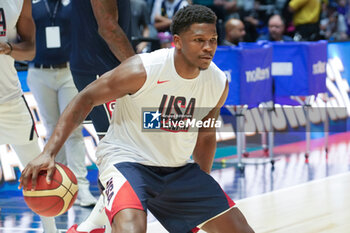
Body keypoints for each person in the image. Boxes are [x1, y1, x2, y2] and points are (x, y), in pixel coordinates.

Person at [19, 5, 255, 233]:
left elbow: (205, 134)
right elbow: (86, 98)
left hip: (177, 169)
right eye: (199, 40)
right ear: (178, 42)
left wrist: (201, 185)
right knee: (132, 228)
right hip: (127, 162)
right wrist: (48, 152)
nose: (208, 47)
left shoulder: (217, 82)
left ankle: (92, 228)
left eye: (212, 40)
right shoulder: (143, 70)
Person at [66, 1, 136, 232]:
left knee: (120, 149)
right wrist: (139, 67)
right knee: (119, 151)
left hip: (101, 66)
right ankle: (97, 225)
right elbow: (108, 27)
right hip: (102, 68)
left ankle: (94, 225)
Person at [27, 0, 97, 208]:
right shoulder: (31, 4)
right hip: (38, 72)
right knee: (50, 128)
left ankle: (80, 186)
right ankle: (60, 181)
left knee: (73, 128)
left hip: (68, 71)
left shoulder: (74, 3)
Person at [0, 0, 57, 232]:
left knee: (37, 173)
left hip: (9, 99)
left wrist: (9, 49)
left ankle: (51, 229)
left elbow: (32, 48)